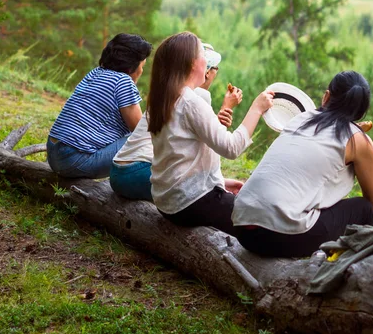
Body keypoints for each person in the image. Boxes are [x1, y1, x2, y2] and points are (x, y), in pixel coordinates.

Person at [232, 70, 373, 258]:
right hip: (278, 237)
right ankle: (370, 259)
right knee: (365, 208)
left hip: (241, 226)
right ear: (361, 111)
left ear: (327, 97)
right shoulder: (359, 142)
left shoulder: (301, 118)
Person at [147, 31, 274, 235]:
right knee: (263, 216)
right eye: (203, 55)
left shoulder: (164, 98)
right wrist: (256, 109)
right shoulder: (191, 102)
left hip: (168, 200)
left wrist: (219, 183)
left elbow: (181, 157)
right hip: (190, 204)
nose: (207, 61)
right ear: (192, 64)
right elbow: (231, 148)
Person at [109, 43, 242, 201]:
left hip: (119, 172)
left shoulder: (167, 93)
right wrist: (227, 107)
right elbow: (215, 146)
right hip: (141, 172)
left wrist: (221, 182)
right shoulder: (197, 96)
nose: (215, 73)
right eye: (215, 68)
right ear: (206, 71)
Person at [47, 33, 152, 179]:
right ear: (133, 66)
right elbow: (140, 131)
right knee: (146, 140)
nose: (141, 71)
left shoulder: (95, 73)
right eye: (142, 66)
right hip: (73, 159)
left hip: (54, 153)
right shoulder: (123, 82)